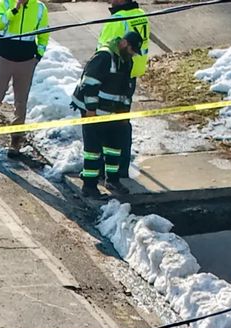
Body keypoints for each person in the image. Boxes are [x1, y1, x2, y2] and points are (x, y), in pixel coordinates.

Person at [0, 0, 50, 158]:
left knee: (21, 102)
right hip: (5, 59)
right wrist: (14, 9)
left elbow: (44, 35)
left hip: (26, 61)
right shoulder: (5, 3)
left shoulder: (40, 8)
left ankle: (15, 141)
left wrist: (38, 56)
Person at [70, 31, 141, 198]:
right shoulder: (104, 56)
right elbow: (90, 83)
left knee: (114, 146)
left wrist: (124, 114)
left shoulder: (126, 61)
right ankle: (89, 186)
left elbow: (126, 89)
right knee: (93, 149)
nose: (132, 53)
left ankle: (113, 179)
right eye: (131, 49)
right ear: (124, 43)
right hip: (93, 109)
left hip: (112, 111)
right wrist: (91, 109)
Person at [96, 0, 150, 180]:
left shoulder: (118, 19)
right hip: (130, 76)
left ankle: (107, 168)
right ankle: (121, 168)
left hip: (113, 78)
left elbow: (103, 50)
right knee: (122, 123)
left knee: (106, 125)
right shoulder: (141, 15)